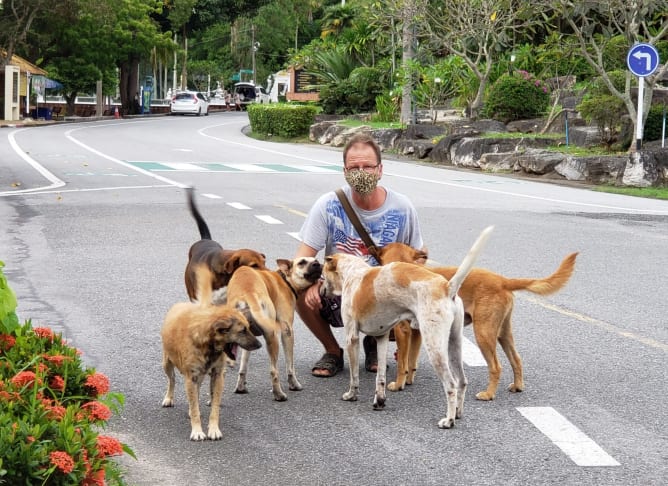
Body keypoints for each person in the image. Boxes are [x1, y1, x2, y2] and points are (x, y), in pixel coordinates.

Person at [295, 132, 425, 377]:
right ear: (345, 171)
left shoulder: (402, 207)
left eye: (368, 166)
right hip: (343, 293)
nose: (362, 172)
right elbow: (302, 259)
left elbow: (418, 262)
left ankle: (377, 344)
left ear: (380, 169)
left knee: (420, 294)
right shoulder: (327, 205)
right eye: (355, 167)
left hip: (389, 295)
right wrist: (311, 284)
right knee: (299, 292)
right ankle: (333, 351)